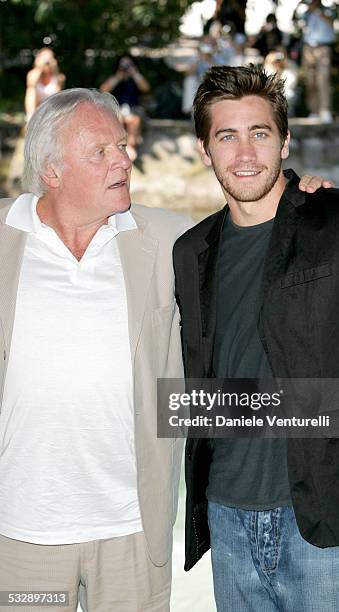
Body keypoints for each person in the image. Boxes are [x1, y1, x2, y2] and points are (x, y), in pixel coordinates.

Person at [173, 65, 339, 611]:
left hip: (328, 525)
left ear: (286, 142)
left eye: (260, 133)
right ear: (205, 150)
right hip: (227, 520)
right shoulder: (191, 250)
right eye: (226, 136)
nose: (246, 152)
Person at [0, 88, 190, 612]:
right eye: (101, 152)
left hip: (132, 534)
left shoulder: (172, 240)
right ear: (52, 171)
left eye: (122, 147)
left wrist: (305, 203)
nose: (123, 161)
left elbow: (255, 240)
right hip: (19, 538)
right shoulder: (3, 236)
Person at [101, 54, 150, 161]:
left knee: (134, 120)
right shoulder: (115, 77)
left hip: (134, 109)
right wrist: (117, 78)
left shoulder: (136, 78)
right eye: (123, 64)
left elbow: (146, 88)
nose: (126, 66)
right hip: (117, 110)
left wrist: (135, 73)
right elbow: (103, 90)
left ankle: (129, 149)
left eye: (129, 64)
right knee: (119, 118)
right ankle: (126, 150)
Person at [300, 0, 335, 123]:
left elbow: (331, 22)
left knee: (323, 79)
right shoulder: (305, 13)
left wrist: (317, 11)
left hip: (323, 47)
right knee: (310, 81)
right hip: (308, 48)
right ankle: (313, 111)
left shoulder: (328, 10)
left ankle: (325, 111)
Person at [24, 48, 65, 122]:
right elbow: (31, 84)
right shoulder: (32, 74)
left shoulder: (59, 77)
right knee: (30, 91)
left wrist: (54, 68)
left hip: (51, 106)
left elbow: (58, 93)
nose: (47, 62)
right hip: (36, 106)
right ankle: (30, 118)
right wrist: (39, 67)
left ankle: (54, 117)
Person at [264, 49, 299, 116]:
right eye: (276, 61)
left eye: (280, 61)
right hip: (272, 92)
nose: (278, 63)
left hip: (285, 92)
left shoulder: (289, 69)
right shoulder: (269, 68)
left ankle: (287, 112)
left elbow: (291, 84)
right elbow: (267, 83)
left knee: (289, 94)